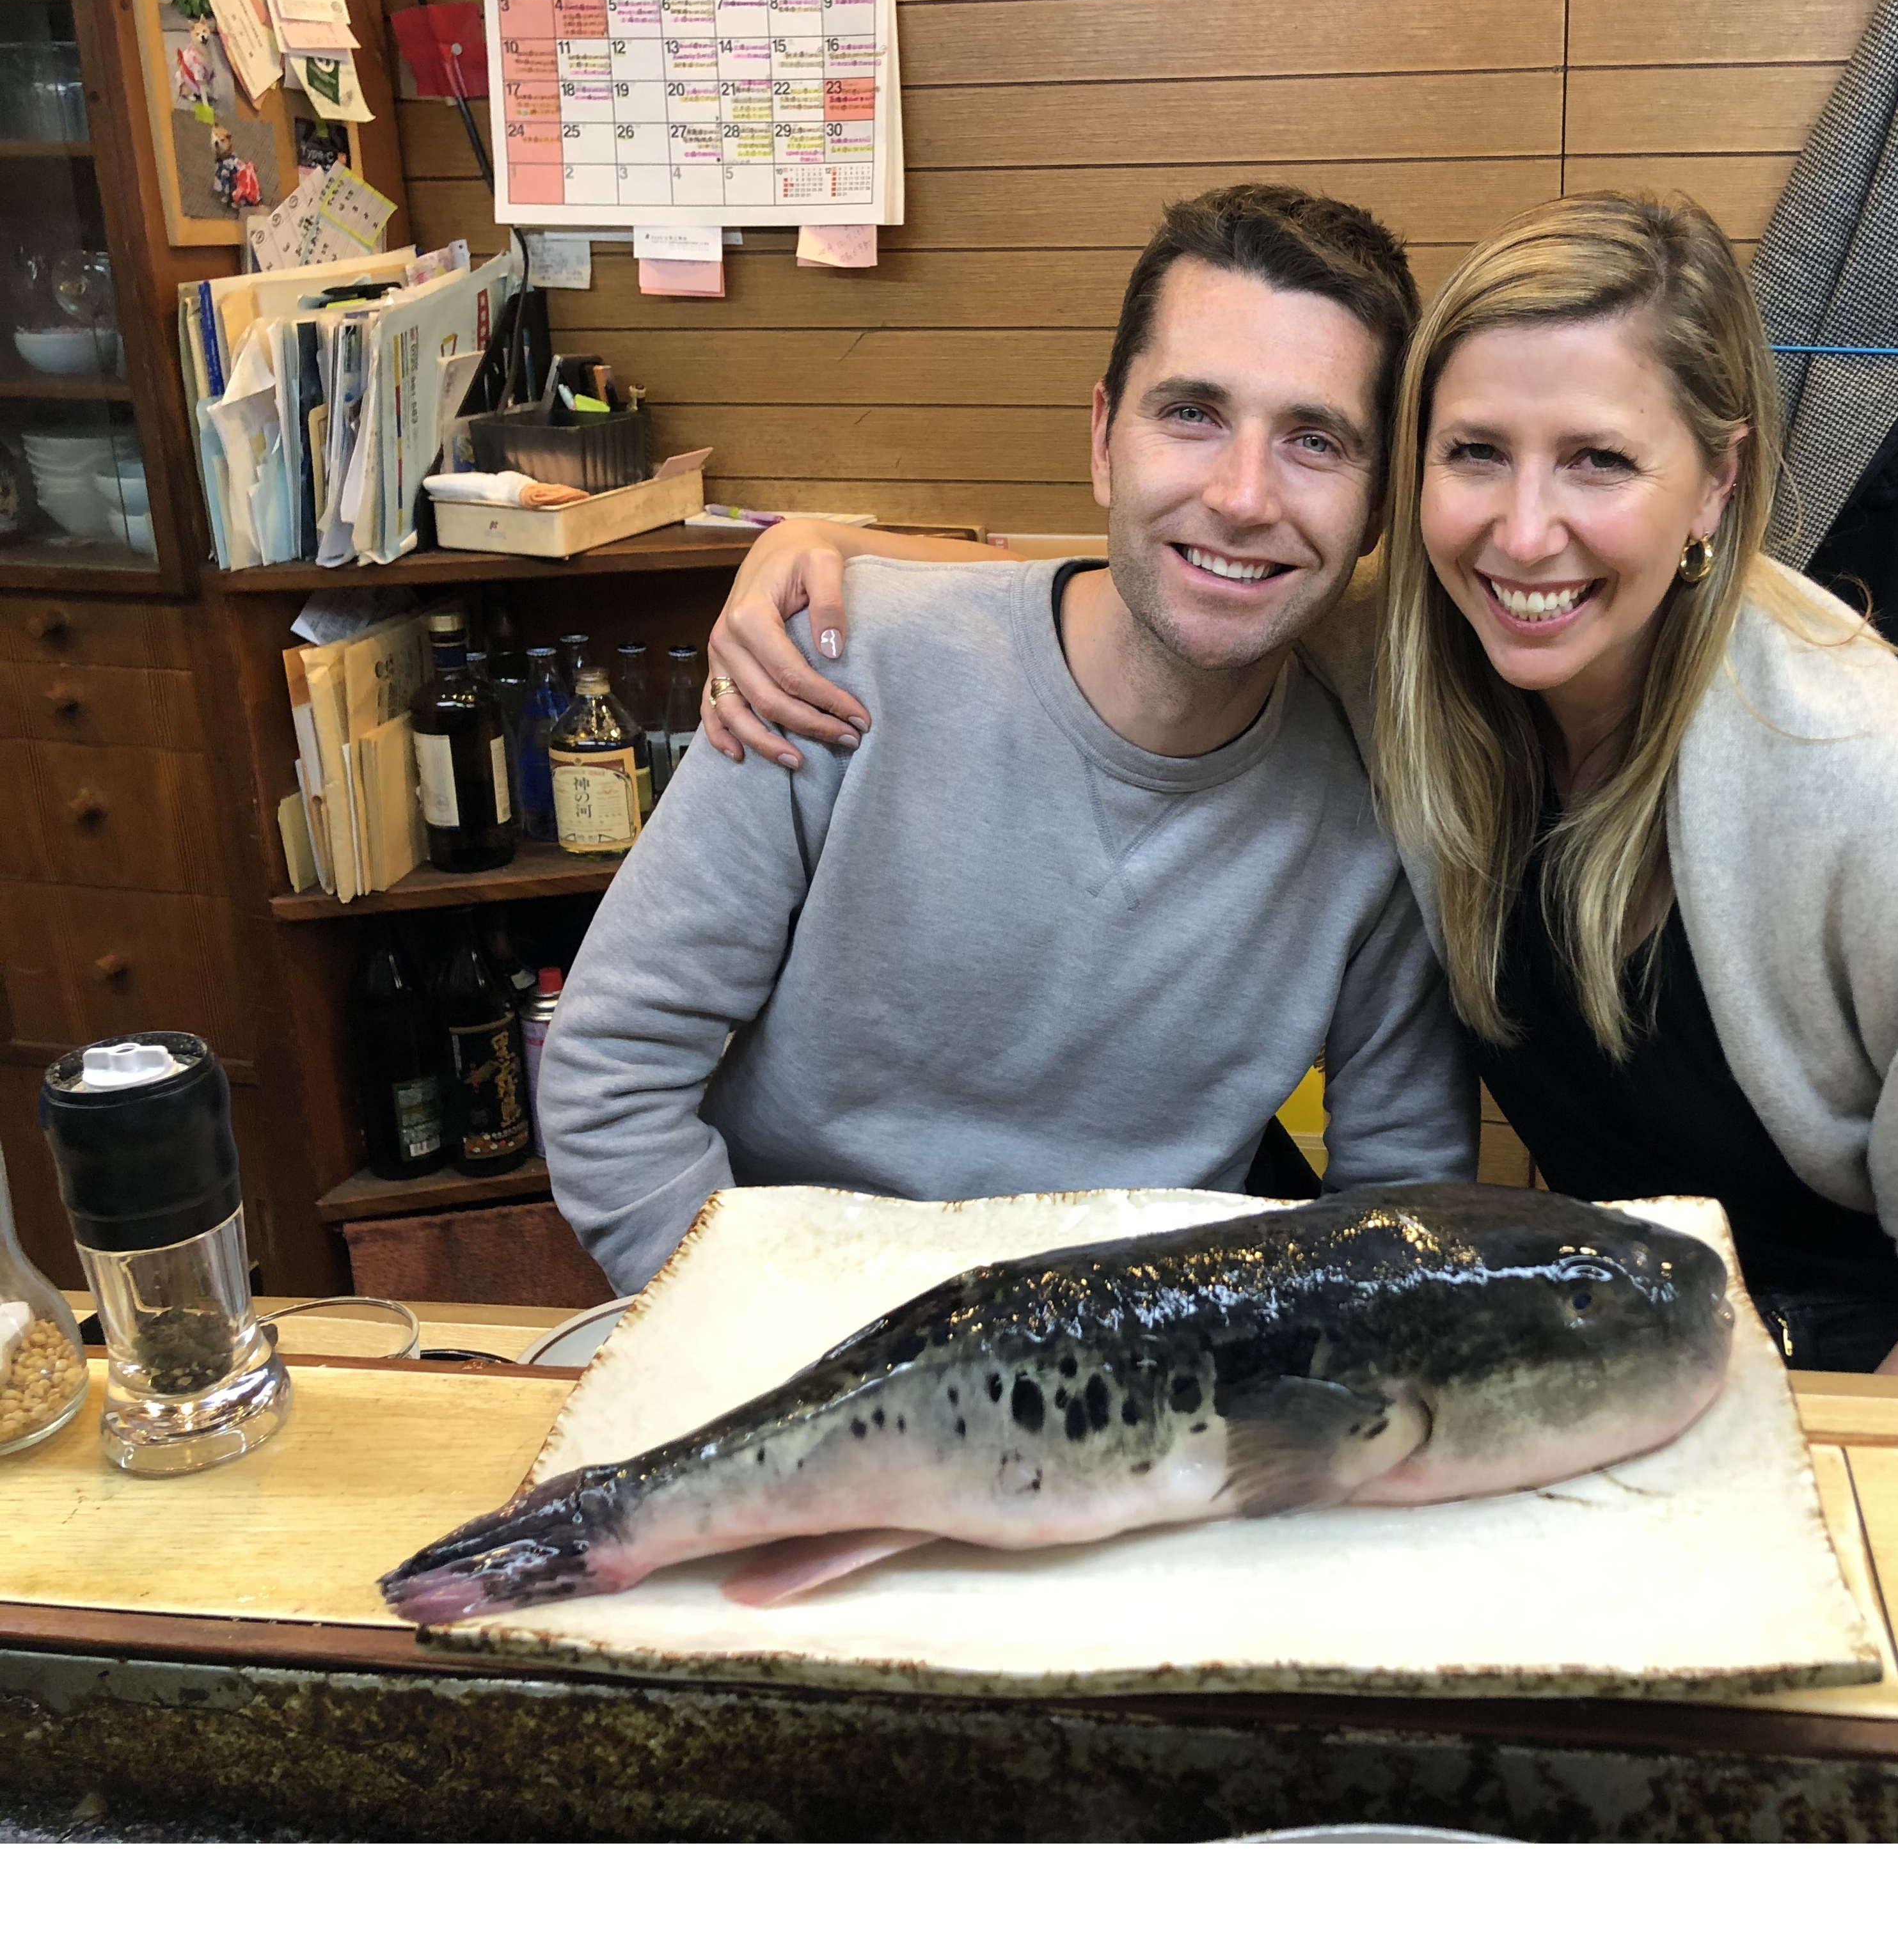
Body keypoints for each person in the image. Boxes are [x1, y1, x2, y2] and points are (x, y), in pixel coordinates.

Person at [704, 193, 1898, 1385]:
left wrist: (1828, 1487)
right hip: (1693, 1315)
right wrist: (824, 561)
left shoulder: (1863, 780)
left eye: (1599, 464)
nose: (1523, 531)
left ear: (1714, 485)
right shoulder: (1412, 665)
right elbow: (1188, 566)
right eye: (1476, 453)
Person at [539, 184, 1478, 1298]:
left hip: (1131, 1377)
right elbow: (611, 1079)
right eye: (1192, 414)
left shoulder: (1383, 804)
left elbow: (1403, 1201)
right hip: (794, 1341)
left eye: (1315, 441)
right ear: (1102, 441)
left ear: (1378, 513)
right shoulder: (833, 664)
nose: (1241, 496)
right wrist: (771, 1363)